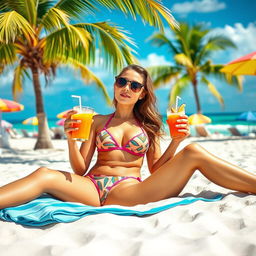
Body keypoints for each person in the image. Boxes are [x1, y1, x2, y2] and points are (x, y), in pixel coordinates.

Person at [0, 64, 256, 209]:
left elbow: (156, 170)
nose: (126, 88)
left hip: (127, 191)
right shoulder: (98, 121)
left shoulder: (150, 127)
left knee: (194, 151)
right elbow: (79, 170)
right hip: (89, 187)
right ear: (115, 84)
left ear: (142, 93)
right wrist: (70, 140)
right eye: (122, 81)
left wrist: (177, 142)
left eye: (134, 85)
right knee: (44, 173)